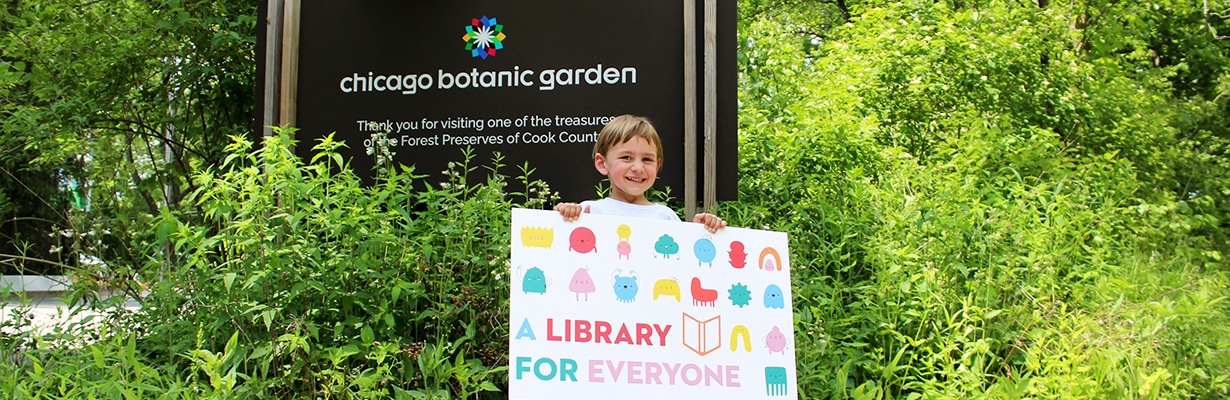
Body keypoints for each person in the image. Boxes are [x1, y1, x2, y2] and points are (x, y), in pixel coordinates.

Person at [554, 114, 727, 233]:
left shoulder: (666, 217)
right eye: (626, 157)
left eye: (647, 159)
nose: (638, 167)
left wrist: (698, 233)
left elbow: (683, 262)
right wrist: (566, 216)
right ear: (602, 163)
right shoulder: (587, 212)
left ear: (657, 165)